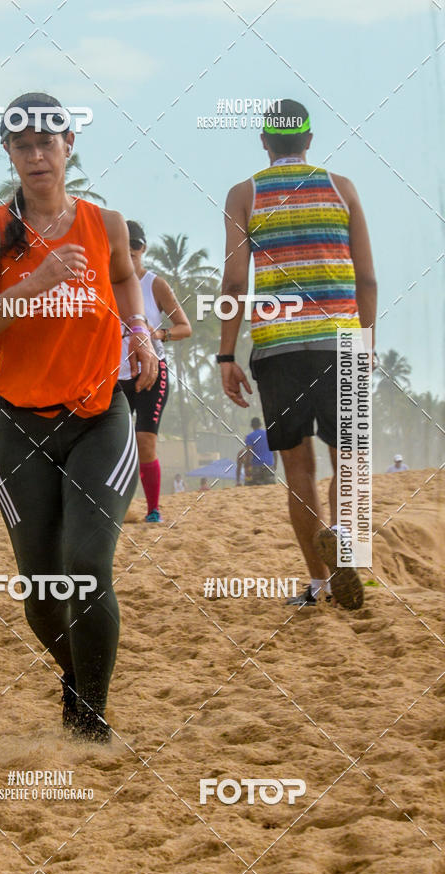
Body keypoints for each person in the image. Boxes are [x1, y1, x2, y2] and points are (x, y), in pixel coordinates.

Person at [0, 92, 158, 743]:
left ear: (69, 145)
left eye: (47, 142)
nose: (37, 156)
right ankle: (75, 678)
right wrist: (33, 283)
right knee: (42, 590)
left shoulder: (106, 223)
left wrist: (139, 332)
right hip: (21, 425)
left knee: (87, 566)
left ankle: (91, 717)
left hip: (100, 417)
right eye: (23, 146)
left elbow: (124, 279)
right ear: (9, 152)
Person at [218, 99, 377, 610]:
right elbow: (367, 279)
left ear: (264, 142)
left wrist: (226, 355)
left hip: (278, 348)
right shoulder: (342, 188)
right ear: (309, 140)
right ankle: (345, 540)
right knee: (348, 461)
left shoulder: (244, 194)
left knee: (298, 468)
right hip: (341, 341)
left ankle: (319, 583)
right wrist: (366, 342)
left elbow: (235, 283)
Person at [117, 221, 191, 523]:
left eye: (135, 245)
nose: (130, 251)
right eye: (125, 245)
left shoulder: (154, 284)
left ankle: (153, 510)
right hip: (115, 376)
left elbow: (184, 327)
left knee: (145, 442)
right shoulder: (104, 283)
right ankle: (118, 509)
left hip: (151, 372)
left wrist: (157, 334)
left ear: (143, 248)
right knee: (116, 446)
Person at [243, 417, 276, 485]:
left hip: (256, 465)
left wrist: (247, 464)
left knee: (256, 487)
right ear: (260, 425)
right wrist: (275, 464)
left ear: (252, 426)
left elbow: (249, 452)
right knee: (270, 487)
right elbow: (275, 451)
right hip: (269, 464)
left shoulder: (249, 437)